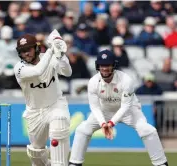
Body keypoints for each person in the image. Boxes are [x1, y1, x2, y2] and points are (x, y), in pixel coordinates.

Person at [69, 50, 169, 166]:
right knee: (82, 129)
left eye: (108, 65)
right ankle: (74, 163)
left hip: (129, 111)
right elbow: (95, 107)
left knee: (147, 130)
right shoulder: (93, 82)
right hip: (104, 110)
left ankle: (161, 163)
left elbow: (125, 105)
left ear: (114, 65)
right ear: (98, 66)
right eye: (102, 65)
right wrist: (103, 123)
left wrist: (111, 123)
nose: (105, 68)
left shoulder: (126, 80)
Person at [14, 31, 72, 165]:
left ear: (35, 48)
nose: (26, 54)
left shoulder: (49, 57)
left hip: (55, 105)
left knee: (60, 123)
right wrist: (52, 50)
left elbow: (67, 72)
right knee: (36, 152)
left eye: (28, 49)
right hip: (35, 111)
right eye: (22, 51)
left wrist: (61, 55)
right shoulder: (19, 68)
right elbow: (38, 71)